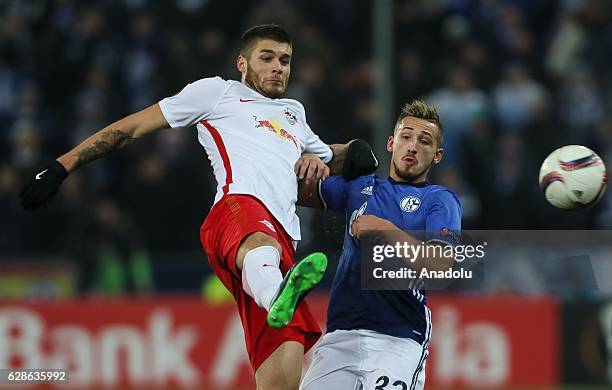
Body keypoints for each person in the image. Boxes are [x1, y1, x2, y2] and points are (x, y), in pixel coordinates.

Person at [19, 24, 377, 390]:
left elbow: (334, 157)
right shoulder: (217, 93)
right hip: (237, 212)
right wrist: (63, 166)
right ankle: (276, 294)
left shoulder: (293, 114)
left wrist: (353, 152)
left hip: (281, 245)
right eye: (266, 58)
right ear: (242, 62)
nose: (277, 67)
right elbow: (132, 127)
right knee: (262, 253)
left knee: (282, 371)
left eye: (285, 61)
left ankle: (276, 295)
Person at [298, 100, 462, 390]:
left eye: (424, 141)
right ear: (391, 143)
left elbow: (441, 264)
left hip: (397, 338)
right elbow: (292, 189)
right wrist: (315, 157)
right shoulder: (359, 186)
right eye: (406, 137)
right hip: (340, 335)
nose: (412, 146)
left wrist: (382, 228)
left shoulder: (439, 200)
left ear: (437, 156)